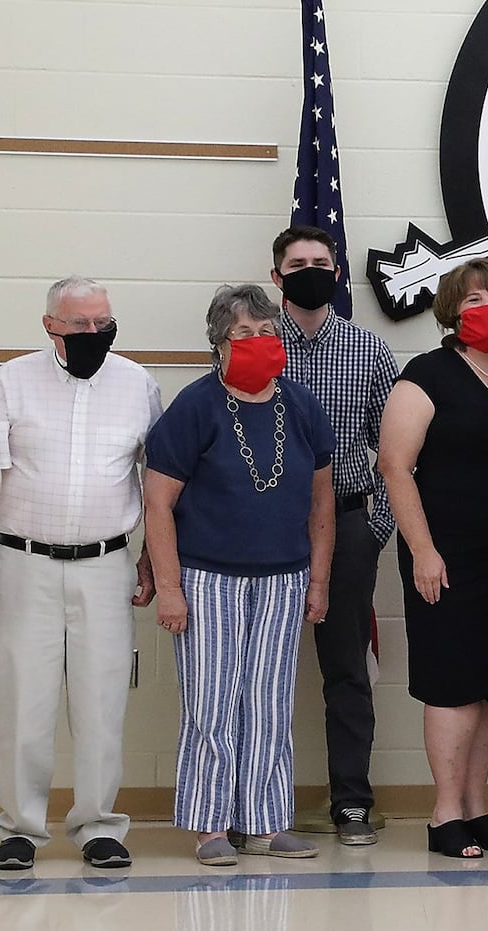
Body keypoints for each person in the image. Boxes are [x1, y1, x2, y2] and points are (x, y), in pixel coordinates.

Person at [0, 277, 162, 871]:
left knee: (102, 702)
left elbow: (156, 484)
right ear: (50, 325)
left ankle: (99, 825)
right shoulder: (9, 381)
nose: (95, 333)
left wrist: (149, 559)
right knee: (23, 698)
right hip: (23, 564)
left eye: (103, 322)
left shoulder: (138, 385)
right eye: (81, 325)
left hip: (106, 566)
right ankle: (20, 827)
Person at [144, 284, 335, 866]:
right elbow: (158, 505)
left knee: (271, 701)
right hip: (207, 579)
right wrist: (171, 589)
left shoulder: (302, 407)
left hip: (284, 578)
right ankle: (209, 825)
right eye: (243, 334)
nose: (258, 342)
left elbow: (321, 506)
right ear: (218, 344)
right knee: (212, 703)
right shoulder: (195, 405)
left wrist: (319, 581)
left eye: (266, 331)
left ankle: (266, 821)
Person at [378, 260, 488, 859]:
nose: (484, 306)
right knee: (452, 684)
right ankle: (444, 812)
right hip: (444, 552)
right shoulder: (429, 373)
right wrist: (422, 549)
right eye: (472, 298)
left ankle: (477, 806)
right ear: (451, 308)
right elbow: (394, 465)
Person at [271, 225, 399, 847]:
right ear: (277, 277)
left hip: (349, 524)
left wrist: (376, 524)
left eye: (321, 262)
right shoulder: (253, 345)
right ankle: (255, 803)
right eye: (298, 264)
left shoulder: (367, 349)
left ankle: (351, 800)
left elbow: (397, 446)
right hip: (265, 529)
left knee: (345, 669)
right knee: (257, 669)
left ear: (338, 271)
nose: (311, 271)